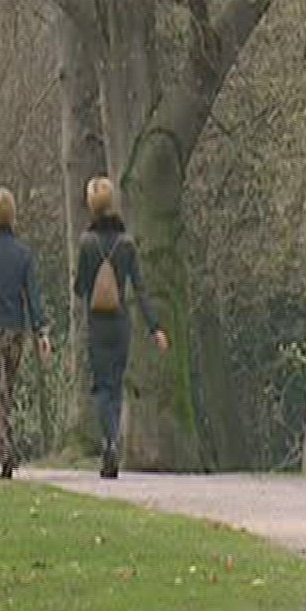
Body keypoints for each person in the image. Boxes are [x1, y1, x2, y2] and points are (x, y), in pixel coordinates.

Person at [73, 176, 169, 478]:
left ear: (91, 206)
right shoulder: (126, 244)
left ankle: (109, 441)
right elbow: (140, 288)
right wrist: (155, 327)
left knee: (101, 386)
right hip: (120, 323)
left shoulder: (87, 243)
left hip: (97, 324)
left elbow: (79, 288)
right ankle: (114, 440)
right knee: (115, 385)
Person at [0, 187, 51, 480]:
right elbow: (33, 295)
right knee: (5, 393)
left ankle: (5, 449)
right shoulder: (23, 254)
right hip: (16, 331)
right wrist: (41, 331)